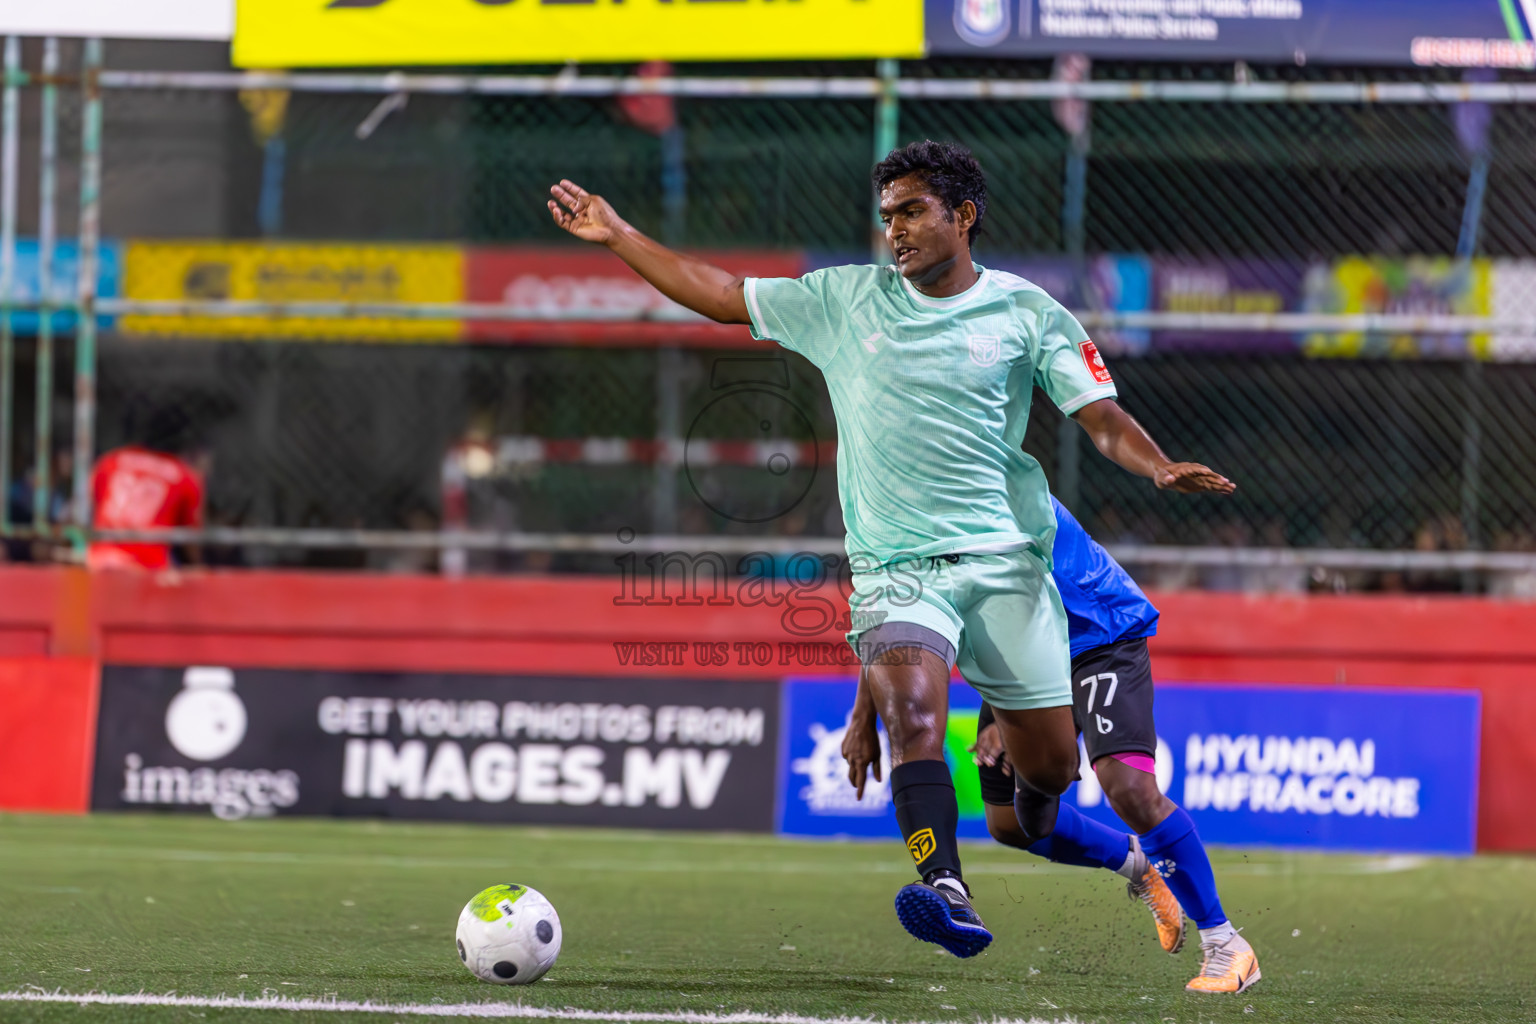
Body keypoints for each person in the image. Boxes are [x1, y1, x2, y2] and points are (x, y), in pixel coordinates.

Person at [546, 140, 1233, 959]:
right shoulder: (845, 299)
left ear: (962, 216)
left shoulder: (1027, 313)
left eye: (912, 212)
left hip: (1002, 568)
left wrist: (1156, 466)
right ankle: (945, 885)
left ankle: (1119, 855)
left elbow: (1099, 415)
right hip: (895, 570)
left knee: (1042, 781)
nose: (895, 232)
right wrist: (620, 233)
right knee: (915, 717)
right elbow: (724, 294)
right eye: (886, 217)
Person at [844, 496, 1261, 994]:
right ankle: (1139, 865)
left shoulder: (988, 492)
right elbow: (896, 608)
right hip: (1022, 652)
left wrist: (1010, 713)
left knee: (1128, 789)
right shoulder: (915, 507)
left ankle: (1226, 944)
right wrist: (862, 714)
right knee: (1013, 824)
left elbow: (1033, 605)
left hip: (1097, 635)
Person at [89, 411, 206, 572]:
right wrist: (199, 570)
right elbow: (190, 540)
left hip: (100, 558)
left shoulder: (111, 461)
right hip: (147, 566)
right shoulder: (183, 476)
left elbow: (95, 506)